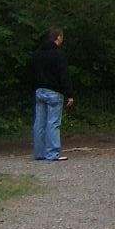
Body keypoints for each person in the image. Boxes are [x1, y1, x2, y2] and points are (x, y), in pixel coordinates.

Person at [30, 26, 73, 162]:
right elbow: (63, 75)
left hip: (39, 91)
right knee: (53, 123)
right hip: (54, 92)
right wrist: (69, 94)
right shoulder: (58, 54)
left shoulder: (38, 54)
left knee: (39, 123)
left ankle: (39, 153)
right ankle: (52, 153)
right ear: (58, 37)